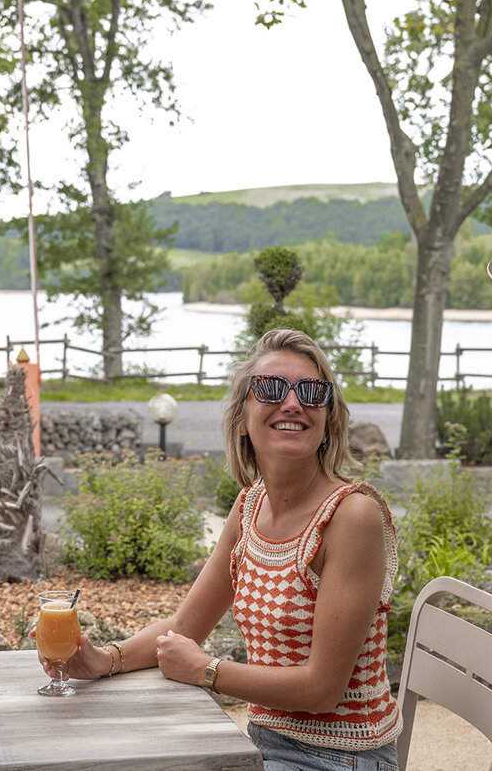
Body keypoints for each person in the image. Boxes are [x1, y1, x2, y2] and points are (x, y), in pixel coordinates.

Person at [47, 327, 402, 769]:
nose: (293, 403)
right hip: (266, 745)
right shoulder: (250, 505)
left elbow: (322, 689)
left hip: (337, 760)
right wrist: (107, 660)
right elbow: (183, 627)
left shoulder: (353, 516)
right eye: (271, 388)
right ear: (241, 418)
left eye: (312, 392)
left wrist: (205, 670)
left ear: (328, 420)